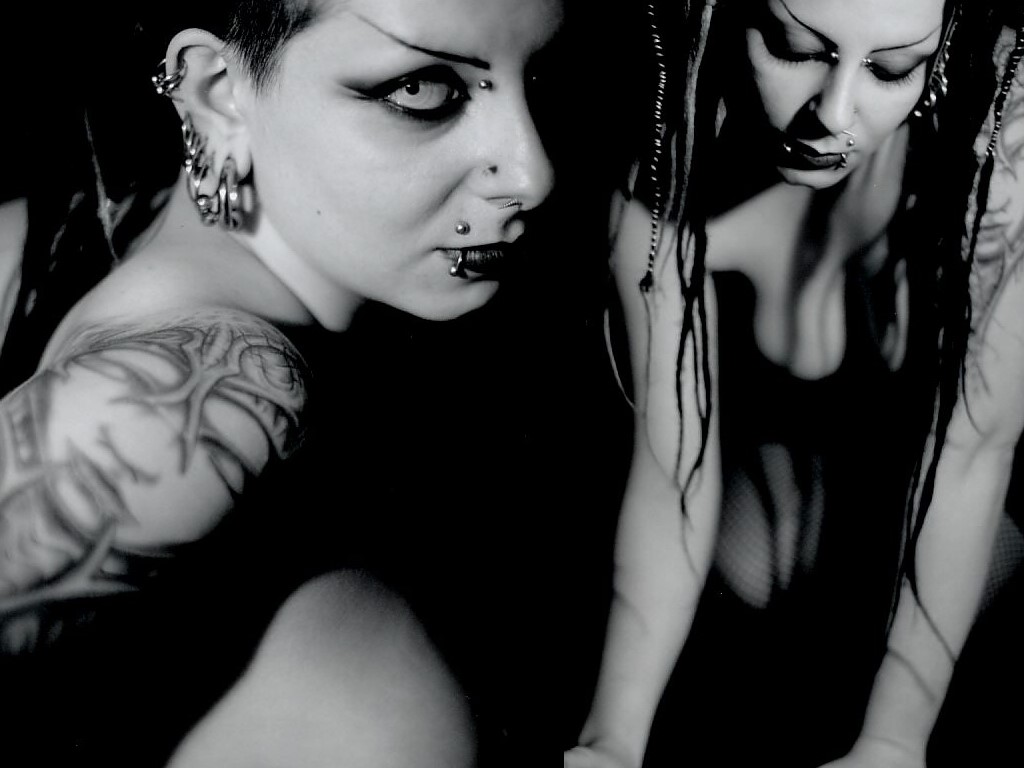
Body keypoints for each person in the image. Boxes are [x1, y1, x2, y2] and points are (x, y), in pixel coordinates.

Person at [0, 0, 564, 764]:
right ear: (218, 93)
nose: (532, 174)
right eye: (422, 90)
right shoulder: (202, 387)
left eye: (544, 77)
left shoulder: (50, 237)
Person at [566, 1, 1024, 766]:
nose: (835, 114)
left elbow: (973, 452)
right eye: (794, 47)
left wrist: (893, 741)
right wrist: (611, 739)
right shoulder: (665, 132)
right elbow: (671, 461)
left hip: (958, 516)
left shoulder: (1004, 129)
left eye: (892, 69)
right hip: (768, 518)